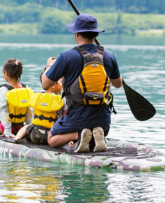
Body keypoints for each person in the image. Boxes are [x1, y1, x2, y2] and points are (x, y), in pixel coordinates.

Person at [41, 13, 122, 153]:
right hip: (103, 121)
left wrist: (49, 65)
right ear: (95, 35)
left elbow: (45, 84)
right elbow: (118, 84)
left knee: (51, 139)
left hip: (77, 117)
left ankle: (78, 134)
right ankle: (94, 134)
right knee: (96, 125)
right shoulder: (109, 55)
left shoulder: (67, 56)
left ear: (76, 34)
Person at [0, 58, 33, 138]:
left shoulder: (4, 90)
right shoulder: (26, 88)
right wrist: (27, 127)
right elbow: (30, 111)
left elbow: (3, 110)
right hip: (21, 128)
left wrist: (7, 130)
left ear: (6, 73)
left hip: (4, 127)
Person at [13, 70, 64, 145]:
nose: (62, 84)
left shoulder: (38, 98)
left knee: (26, 127)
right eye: (60, 82)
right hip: (50, 136)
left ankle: (17, 137)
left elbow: (34, 115)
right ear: (53, 86)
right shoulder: (60, 100)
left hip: (34, 134)